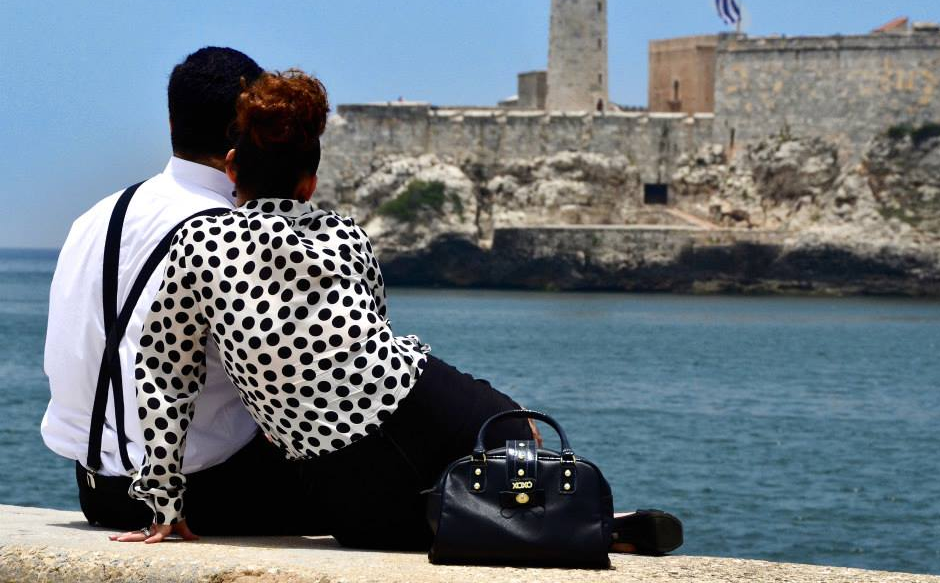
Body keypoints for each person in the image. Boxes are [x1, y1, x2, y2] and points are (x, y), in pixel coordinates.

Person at [112, 70, 682, 555]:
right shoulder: (344, 234)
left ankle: (542, 525)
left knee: (414, 528)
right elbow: (374, 333)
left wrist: (163, 502)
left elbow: (163, 376)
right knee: (518, 428)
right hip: (410, 397)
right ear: (309, 183)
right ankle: (568, 516)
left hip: (331, 470)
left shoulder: (198, 245)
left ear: (232, 168)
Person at [41, 47, 325, 535]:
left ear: (172, 122)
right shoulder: (236, 235)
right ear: (248, 128)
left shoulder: (93, 219)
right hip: (208, 495)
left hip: (97, 493)